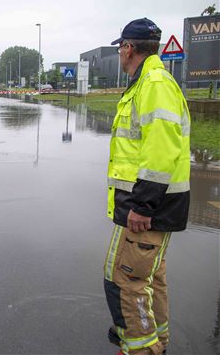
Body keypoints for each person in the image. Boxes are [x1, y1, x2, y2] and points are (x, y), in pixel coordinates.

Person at [103, 18, 191, 355]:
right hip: (146, 205)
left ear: (128, 48)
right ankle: (158, 341)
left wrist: (143, 205)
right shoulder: (148, 82)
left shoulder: (154, 84)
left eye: (120, 48)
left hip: (147, 208)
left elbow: (161, 151)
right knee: (150, 279)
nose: (120, 55)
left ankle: (140, 349)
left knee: (126, 280)